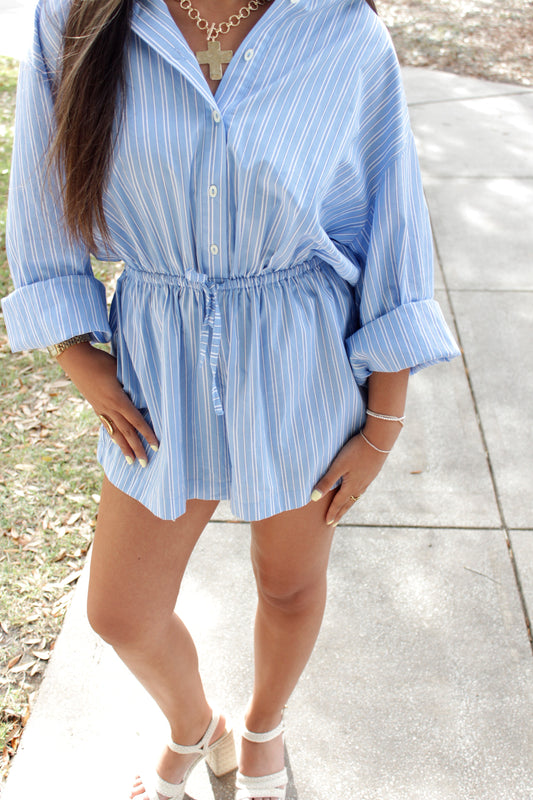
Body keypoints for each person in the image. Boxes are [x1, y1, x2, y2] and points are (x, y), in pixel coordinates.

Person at [1, 0, 460, 798]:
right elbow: (44, 182)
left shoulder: (340, 30)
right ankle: (194, 725)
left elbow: (391, 226)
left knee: (287, 584)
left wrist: (381, 424)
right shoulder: (76, 18)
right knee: (120, 611)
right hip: (158, 359)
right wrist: (73, 345)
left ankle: (262, 729)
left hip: (298, 358)